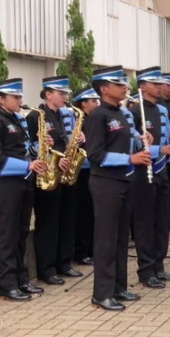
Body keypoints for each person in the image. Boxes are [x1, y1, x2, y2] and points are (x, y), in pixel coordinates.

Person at [84, 66, 150, 310]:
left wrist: (140, 143)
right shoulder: (97, 116)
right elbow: (96, 155)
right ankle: (101, 294)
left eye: (125, 83)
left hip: (124, 180)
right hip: (105, 182)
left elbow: (124, 143)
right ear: (104, 89)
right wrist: (129, 160)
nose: (125, 87)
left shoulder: (122, 113)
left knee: (122, 238)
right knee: (106, 239)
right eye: (119, 84)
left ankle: (119, 287)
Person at [26, 76, 81, 287]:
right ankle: (46, 269)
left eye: (66, 93)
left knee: (66, 220)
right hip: (47, 175)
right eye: (61, 93)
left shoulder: (62, 115)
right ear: (48, 93)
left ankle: (64, 263)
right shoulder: (35, 116)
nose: (65, 97)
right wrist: (42, 145)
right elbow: (29, 147)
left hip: (64, 173)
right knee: (48, 223)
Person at [0, 78, 47, 301]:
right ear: (1, 99)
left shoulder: (17, 119)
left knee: (20, 233)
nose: (20, 100)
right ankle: (7, 284)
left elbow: (25, 149)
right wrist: (27, 165)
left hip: (24, 182)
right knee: (7, 235)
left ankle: (21, 278)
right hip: (7, 184)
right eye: (15, 97)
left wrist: (41, 146)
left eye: (20, 96)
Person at [132, 67, 170, 288]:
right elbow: (135, 145)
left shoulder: (161, 109)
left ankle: (159, 266)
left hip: (162, 170)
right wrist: (162, 149)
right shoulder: (134, 111)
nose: (160, 86)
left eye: (161, 83)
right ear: (142, 86)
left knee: (162, 221)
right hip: (144, 172)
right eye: (154, 83)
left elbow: (163, 135)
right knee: (145, 222)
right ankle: (146, 270)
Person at [71, 87, 101, 267]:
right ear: (84, 104)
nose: (97, 104)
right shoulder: (77, 121)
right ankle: (81, 251)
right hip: (81, 170)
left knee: (92, 213)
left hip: (93, 169)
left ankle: (90, 249)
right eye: (93, 101)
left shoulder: (94, 120)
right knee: (83, 213)